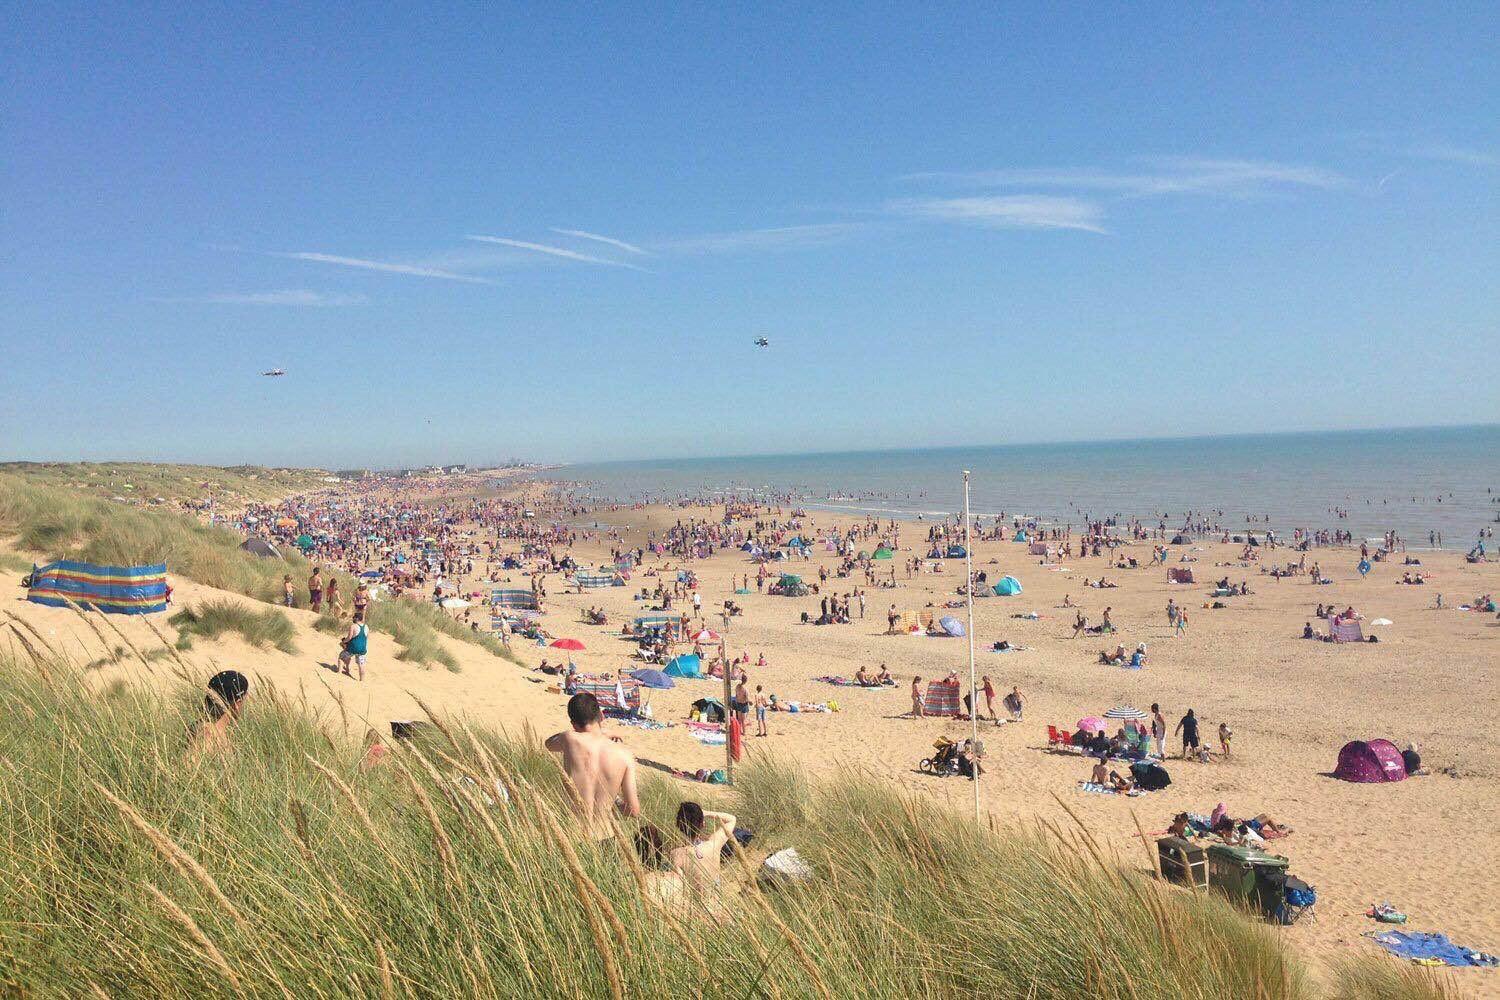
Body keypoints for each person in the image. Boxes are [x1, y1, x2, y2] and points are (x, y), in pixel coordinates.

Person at [545, 693, 641, 841]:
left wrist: (600, 733)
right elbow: (633, 811)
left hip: (572, 837)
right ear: (601, 716)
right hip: (605, 838)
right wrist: (615, 800)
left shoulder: (569, 738)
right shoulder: (625, 755)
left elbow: (549, 743)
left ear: (573, 724)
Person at [670, 801, 737, 888]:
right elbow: (731, 819)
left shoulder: (676, 854)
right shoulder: (713, 844)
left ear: (679, 826)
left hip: (695, 900)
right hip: (716, 900)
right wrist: (706, 813)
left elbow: (683, 886)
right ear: (703, 824)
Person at [189, 669, 249, 755]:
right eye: (244, 700)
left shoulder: (197, 725)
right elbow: (189, 765)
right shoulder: (210, 736)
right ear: (237, 704)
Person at [338, 612, 369, 680]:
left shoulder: (353, 626)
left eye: (354, 617)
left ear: (357, 618)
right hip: (362, 649)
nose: (353, 618)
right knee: (361, 664)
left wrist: (343, 642)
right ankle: (362, 680)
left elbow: (349, 638)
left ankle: (339, 673)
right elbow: (366, 638)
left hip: (353, 648)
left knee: (341, 657)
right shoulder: (366, 626)